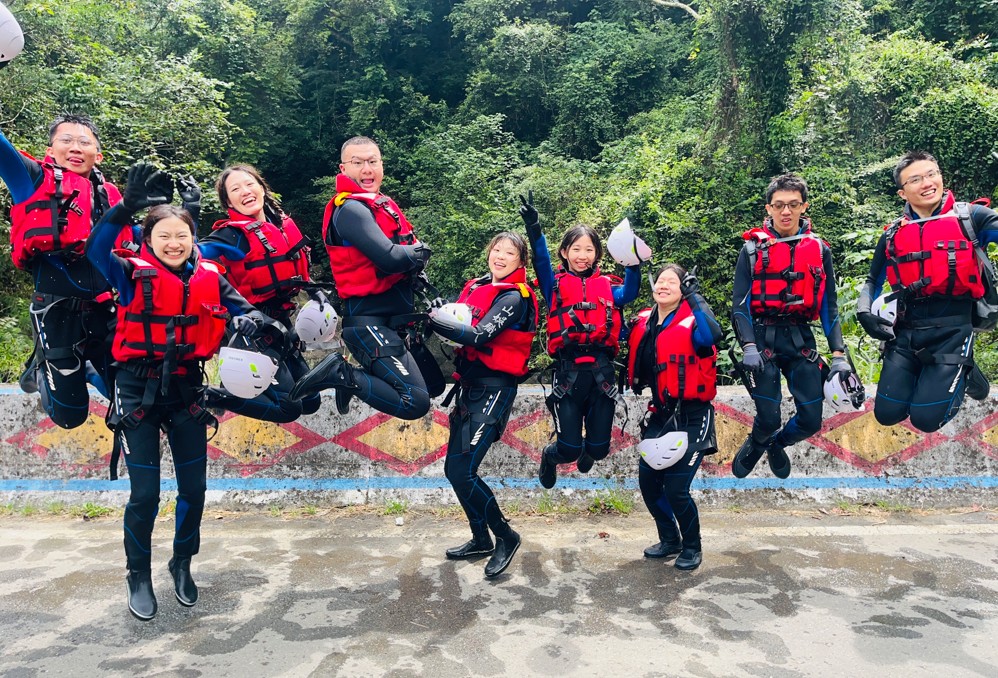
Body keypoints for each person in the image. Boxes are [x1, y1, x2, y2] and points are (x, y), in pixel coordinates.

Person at [86, 162, 267, 621]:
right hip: (136, 391)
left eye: (181, 235)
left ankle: (182, 562)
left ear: (192, 238)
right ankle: (138, 574)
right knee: (144, 493)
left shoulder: (209, 274)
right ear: (148, 241)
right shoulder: (129, 275)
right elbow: (95, 250)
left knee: (195, 489)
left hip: (187, 389)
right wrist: (125, 208)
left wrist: (251, 321)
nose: (173, 242)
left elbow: (243, 308)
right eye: (163, 235)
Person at [289, 136, 434, 420]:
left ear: (381, 165)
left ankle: (353, 377)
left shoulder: (381, 204)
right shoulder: (350, 210)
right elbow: (390, 258)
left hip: (388, 323)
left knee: (433, 385)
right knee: (415, 402)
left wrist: (416, 266)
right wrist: (421, 251)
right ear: (343, 169)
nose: (367, 169)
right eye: (358, 163)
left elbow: (403, 256)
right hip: (369, 324)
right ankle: (343, 374)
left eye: (372, 161)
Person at [1, 113, 129, 428]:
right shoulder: (32, 178)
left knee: (134, 395)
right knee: (70, 417)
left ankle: (87, 368)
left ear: (97, 154)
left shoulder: (111, 196)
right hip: (56, 313)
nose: (75, 147)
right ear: (51, 149)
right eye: (66, 140)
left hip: (106, 311)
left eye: (84, 142)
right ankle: (45, 368)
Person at [856, 151, 998, 432]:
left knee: (925, 420)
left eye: (932, 174)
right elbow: (873, 280)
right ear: (902, 192)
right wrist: (863, 312)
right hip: (907, 330)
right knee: (886, 414)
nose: (927, 183)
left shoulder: (971, 217)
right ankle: (950, 374)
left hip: (954, 329)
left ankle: (963, 371)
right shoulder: (894, 233)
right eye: (916, 179)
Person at [428, 231, 538, 578]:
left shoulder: (514, 298)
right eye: (497, 250)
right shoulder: (475, 287)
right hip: (468, 389)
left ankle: (506, 535)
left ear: (521, 262)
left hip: (494, 391)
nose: (501, 257)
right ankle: (480, 538)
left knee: (464, 470)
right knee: (453, 471)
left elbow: (479, 335)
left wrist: (434, 321)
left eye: (510, 253)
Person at [730, 174, 851, 479]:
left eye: (793, 205)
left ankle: (776, 445)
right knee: (768, 419)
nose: (786, 212)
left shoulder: (820, 250)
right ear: (768, 208)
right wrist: (748, 346)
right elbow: (740, 305)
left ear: (803, 206)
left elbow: (829, 305)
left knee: (811, 421)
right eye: (779, 205)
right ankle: (759, 441)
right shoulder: (752, 250)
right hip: (762, 339)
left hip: (800, 340)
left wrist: (838, 354)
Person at [519, 193, 642, 488]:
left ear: (598, 255)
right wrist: (534, 228)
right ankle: (550, 457)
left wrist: (633, 260)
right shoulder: (554, 285)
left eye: (589, 249)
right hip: (568, 376)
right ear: (564, 252)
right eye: (576, 249)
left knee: (599, 450)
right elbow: (541, 260)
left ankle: (590, 450)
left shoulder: (609, 286)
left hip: (602, 376)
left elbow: (630, 293)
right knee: (569, 449)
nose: (582, 255)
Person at [197, 164, 319, 422]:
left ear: (262, 188)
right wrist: (190, 212)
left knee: (310, 400)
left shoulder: (281, 225)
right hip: (250, 329)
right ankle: (210, 396)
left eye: (249, 184)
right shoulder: (231, 236)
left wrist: (317, 295)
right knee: (288, 409)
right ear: (228, 201)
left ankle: (232, 388)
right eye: (235, 189)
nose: (245, 191)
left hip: (280, 324)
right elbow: (191, 257)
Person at [627, 263, 722, 571]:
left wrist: (696, 298)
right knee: (648, 482)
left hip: (694, 414)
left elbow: (713, 335)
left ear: (684, 290)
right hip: (662, 413)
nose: (664, 285)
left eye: (673, 282)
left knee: (677, 488)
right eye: (661, 281)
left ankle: (692, 547)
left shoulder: (694, 322)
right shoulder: (644, 321)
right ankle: (670, 539)